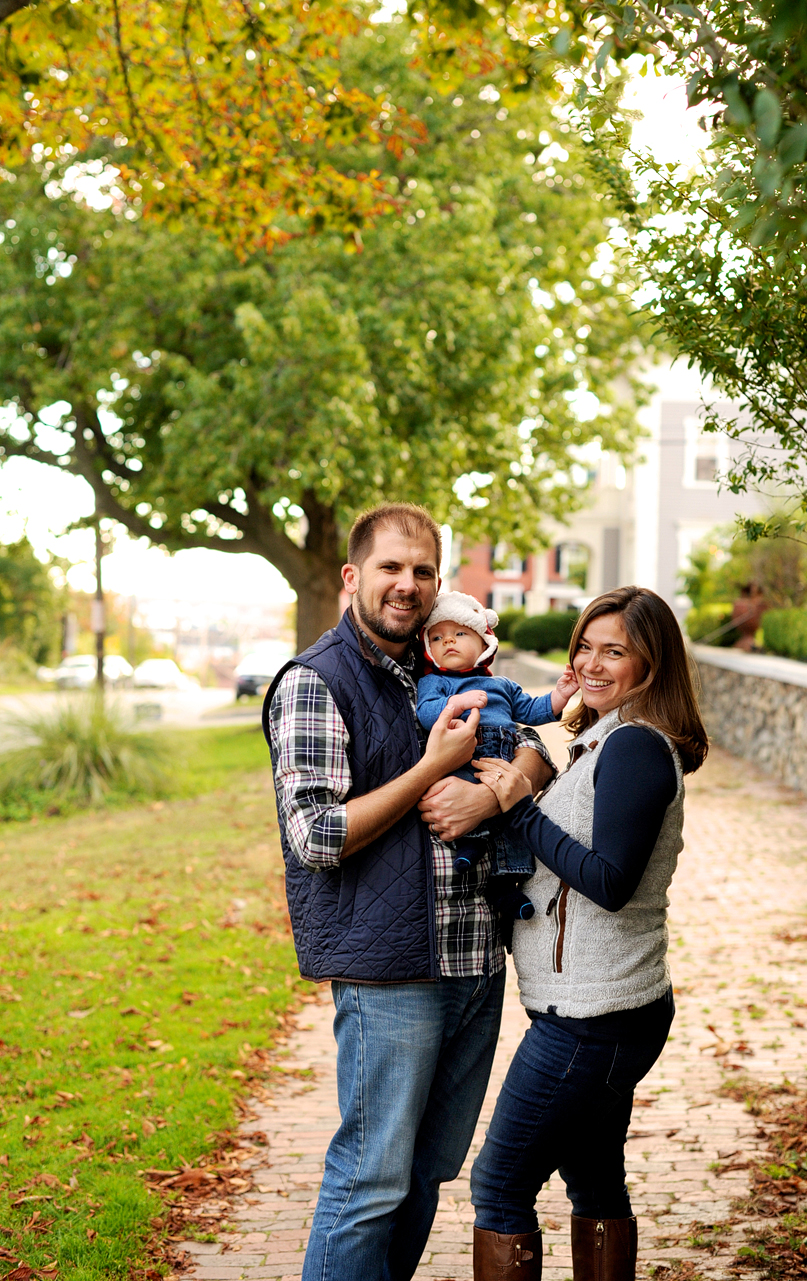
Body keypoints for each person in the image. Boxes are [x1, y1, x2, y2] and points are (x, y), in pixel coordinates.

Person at [261, 502, 554, 1281]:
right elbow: (316, 836)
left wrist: (495, 794)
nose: (408, 584)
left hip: (472, 964)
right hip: (389, 973)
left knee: (426, 1173)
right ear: (354, 576)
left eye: (423, 570)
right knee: (370, 1180)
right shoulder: (316, 681)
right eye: (391, 567)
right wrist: (430, 771)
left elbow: (534, 752)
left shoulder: (446, 665)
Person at [462, 585, 709, 1281]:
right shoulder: (608, 739)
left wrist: (519, 806)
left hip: (591, 1023)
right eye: (586, 646)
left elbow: (608, 879)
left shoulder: (633, 745)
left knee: (501, 1184)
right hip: (606, 1012)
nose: (593, 663)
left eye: (615, 650)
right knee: (595, 1182)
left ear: (651, 663)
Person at [417, 590, 578, 923]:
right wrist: (457, 705)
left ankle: (506, 886)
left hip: (502, 763)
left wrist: (560, 695)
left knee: (513, 824)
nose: (448, 641)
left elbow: (532, 711)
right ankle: (470, 845)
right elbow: (426, 714)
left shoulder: (503, 685)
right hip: (464, 761)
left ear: (484, 642)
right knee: (460, 799)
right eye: (438, 637)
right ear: (429, 649)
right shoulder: (434, 683)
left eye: (459, 633)